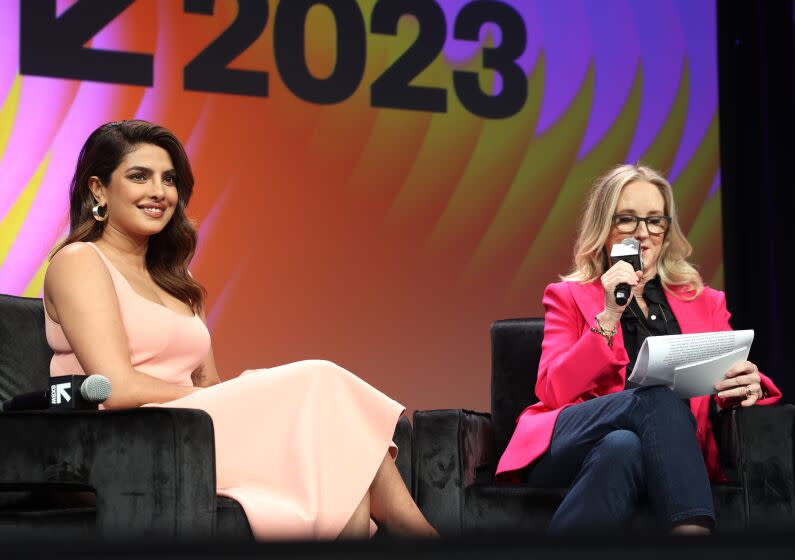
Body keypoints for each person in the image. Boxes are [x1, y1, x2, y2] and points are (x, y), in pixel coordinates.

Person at [42, 120, 438, 540]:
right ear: (98, 189)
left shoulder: (178, 278)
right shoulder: (80, 262)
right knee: (319, 382)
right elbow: (115, 387)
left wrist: (223, 396)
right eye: (139, 176)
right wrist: (223, 397)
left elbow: (210, 381)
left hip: (197, 432)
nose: (159, 192)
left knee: (336, 461)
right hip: (128, 440)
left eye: (170, 179)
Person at [495, 163, 781, 534]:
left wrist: (747, 386)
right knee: (655, 398)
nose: (643, 234)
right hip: (571, 440)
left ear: (666, 229)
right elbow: (554, 390)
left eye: (654, 221)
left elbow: (725, 381)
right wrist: (610, 313)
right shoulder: (568, 296)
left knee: (622, 448)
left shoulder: (705, 302)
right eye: (627, 220)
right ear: (605, 226)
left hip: (660, 452)